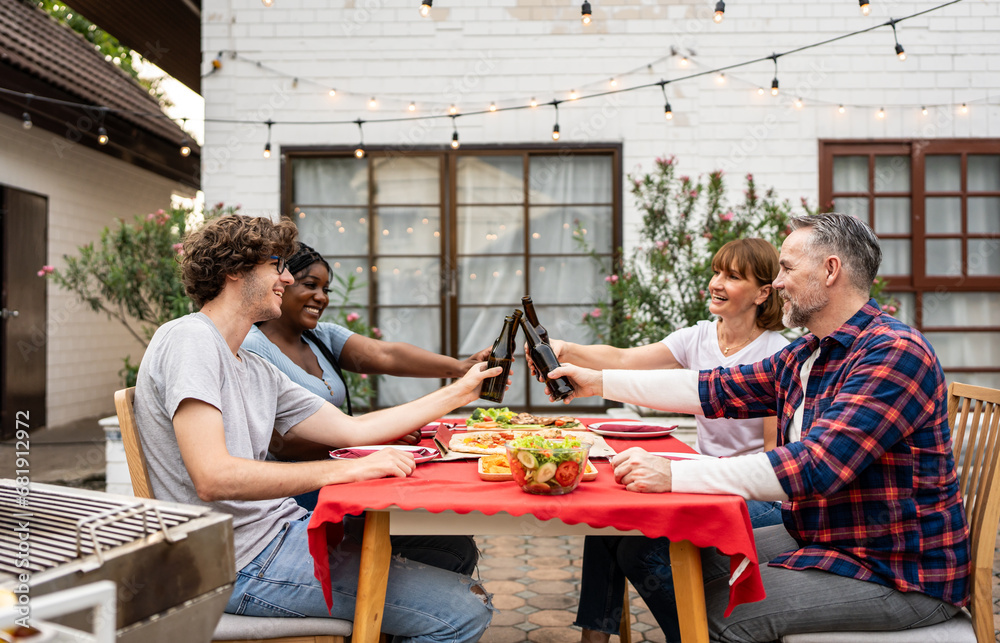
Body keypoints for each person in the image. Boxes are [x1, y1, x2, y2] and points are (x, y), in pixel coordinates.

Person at [551, 213, 971, 641]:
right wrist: (596, 381)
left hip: (895, 569)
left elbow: (813, 467)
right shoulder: (811, 352)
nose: (779, 282)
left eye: (787, 268)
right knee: (649, 550)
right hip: (821, 537)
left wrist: (674, 473)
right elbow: (716, 388)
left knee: (716, 610)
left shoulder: (893, 353)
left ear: (830, 271)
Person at [134, 215, 496, 642]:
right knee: (466, 609)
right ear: (235, 271)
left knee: (451, 550)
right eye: (277, 266)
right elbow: (214, 477)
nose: (287, 279)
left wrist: (461, 391)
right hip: (234, 563)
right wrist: (346, 470)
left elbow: (351, 431)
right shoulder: (190, 339)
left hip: (278, 532)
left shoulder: (252, 366)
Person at [552, 239, 789, 643]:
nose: (716, 283)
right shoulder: (697, 337)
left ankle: (695, 635)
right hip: (705, 479)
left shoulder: (776, 354)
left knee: (638, 547)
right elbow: (625, 359)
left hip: (756, 496)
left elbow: (773, 457)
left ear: (763, 292)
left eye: (732, 277)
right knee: (609, 519)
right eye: (716, 272)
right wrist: (564, 348)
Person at [243, 242, 490, 462]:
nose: (321, 298)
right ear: (281, 284)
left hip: (342, 472)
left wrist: (462, 368)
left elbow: (388, 355)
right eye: (310, 285)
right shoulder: (251, 348)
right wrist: (371, 441)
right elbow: (279, 445)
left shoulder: (322, 336)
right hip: (291, 490)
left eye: (326, 290)